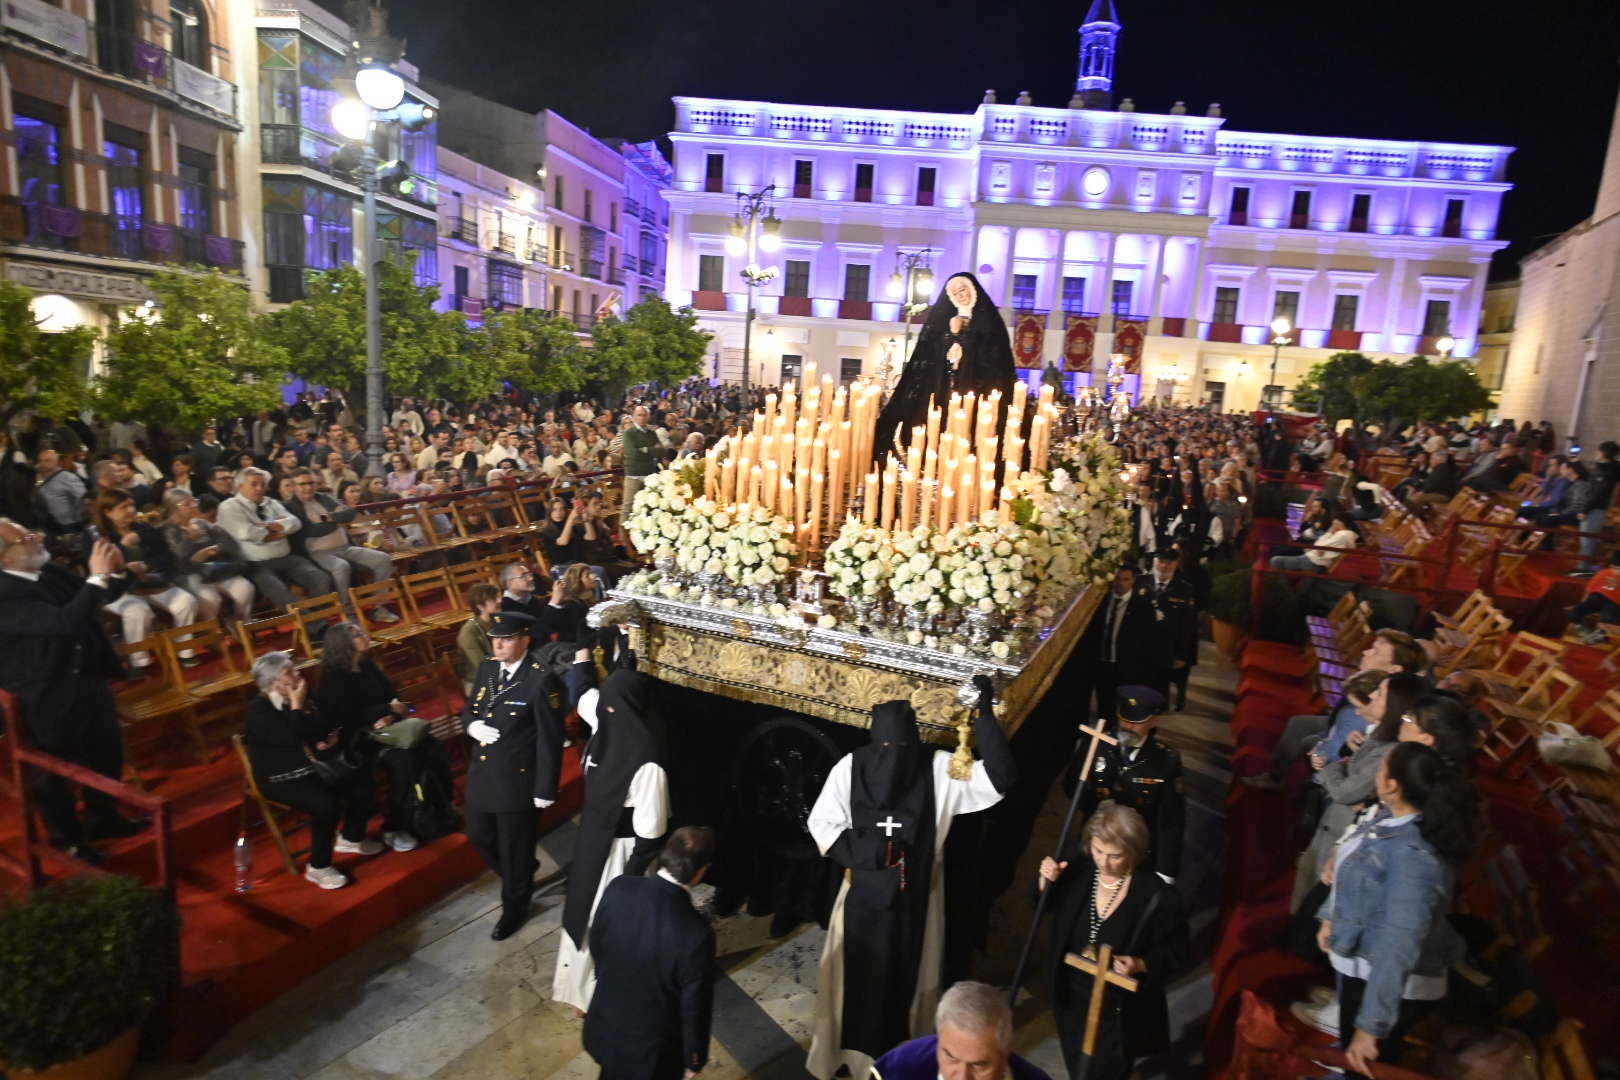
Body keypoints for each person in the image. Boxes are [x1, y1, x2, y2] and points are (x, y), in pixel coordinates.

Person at [806, 676, 1017, 1080]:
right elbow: (823, 825)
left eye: (899, 751)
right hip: (861, 898)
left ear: (914, 746)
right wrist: (873, 854)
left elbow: (1000, 778)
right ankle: (847, 1058)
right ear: (872, 744)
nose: (891, 762)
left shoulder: (939, 769)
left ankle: (906, 1061)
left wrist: (985, 715)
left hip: (920, 900)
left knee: (908, 983)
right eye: (884, 751)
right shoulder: (851, 768)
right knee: (855, 987)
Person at [1316, 742, 1476, 1079]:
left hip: (1386, 978)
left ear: (1391, 785)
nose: (1375, 772)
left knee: (1364, 1066)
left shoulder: (1414, 856)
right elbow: (1354, 866)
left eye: (1382, 767)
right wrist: (1331, 917)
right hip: (1360, 959)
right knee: (1349, 1043)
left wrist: (1371, 1027)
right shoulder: (1395, 817)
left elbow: (1399, 942)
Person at [0, 524, 145, 861]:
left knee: (106, 753)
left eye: (31, 531)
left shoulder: (47, 569)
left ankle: (103, 818)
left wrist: (117, 572)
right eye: (25, 538)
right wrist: (96, 578)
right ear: (5, 556)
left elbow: (94, 598)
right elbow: (63, 623)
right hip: (43, 692)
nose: (37, 537)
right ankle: (66, 839)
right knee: (54, 774)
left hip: (87, 679)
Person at [1036, 802, 1190, 1080]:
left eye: (1115, 856)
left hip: (1116, 1011)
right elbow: (1048, 905)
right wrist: (1046, 882)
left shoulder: (1156, 895)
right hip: (1070, 997)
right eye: (1097, 851)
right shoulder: (1079, 871)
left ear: (1134, 851)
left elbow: (1179, 950)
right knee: (1077, 1067)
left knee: (1105, 1073)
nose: (1103, 862)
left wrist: (1141, 964)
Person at [553, 669, 671, 1012]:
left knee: (608, 923)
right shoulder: (608, 719)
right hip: (593, 842)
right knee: (581, 910)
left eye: (613, 707)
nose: (607, 711)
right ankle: (577, 988)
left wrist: (629, 883)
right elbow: (586, 695)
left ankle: (598, 994)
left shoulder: (647, 761)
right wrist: (581, 661)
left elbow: (651, 831)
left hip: (621, 854)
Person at [582, 826, 717, 1079]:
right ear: (700, 872)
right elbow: (694, 1006)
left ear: (665, 855)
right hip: (652, 1052)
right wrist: (694, 1058)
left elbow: (598, 944)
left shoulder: (620, 887)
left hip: (604, 1025)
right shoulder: (696, 933)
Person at [461, 611, 565, 940]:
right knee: (479, 836)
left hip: (516, 779)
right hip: (484, 772)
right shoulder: (489, 668)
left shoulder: (541, 679)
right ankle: (519, 874)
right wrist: (471, 725)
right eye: (494, 639)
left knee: (514, 848)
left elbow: (550, 737)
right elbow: (472, 708)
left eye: (506, 639)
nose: (498, 645)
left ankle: (515, 906)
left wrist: (545, 786)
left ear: (524, 640)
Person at [242, 651, 381, 890]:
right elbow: (292, 737)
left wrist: (326, 735)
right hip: (282, 777)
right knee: (325, 803)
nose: (297, 674)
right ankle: (318, 866)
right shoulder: (259, 710)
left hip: (316, 765)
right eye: (290, 672)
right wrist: (297, 707)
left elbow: (324, 723)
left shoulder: (305, 696)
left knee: (362, 780)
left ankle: (351, 837)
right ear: (273, 682)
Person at [1293, 672, 1425, 911]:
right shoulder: (1377, 735)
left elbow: (1345, 792)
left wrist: (1333, 766)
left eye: (1381, 693)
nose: (1373, 695)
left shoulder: (1390, 751)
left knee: (1315, 890)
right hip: (1335, 821)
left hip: (1340, 828)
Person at [316, 622, 434, 854]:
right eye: (357, 635)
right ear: (343, 645)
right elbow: (344, 717)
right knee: (403, 761)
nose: (364, 636)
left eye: (361, 632)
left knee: (430, 746)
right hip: (358, 741)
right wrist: (385, 710)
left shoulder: (367, 665)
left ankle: (431, 811)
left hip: (385, 729)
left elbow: (394, 697)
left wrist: (389, 715)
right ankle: (395, 827)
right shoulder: (333, 677)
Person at [874, 272, 1017, 459]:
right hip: (944, 386)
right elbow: (931, 353)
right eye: (956, 292)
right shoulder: (943, 321)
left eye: (963, 290)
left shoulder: (989, 321)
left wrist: (964, 338)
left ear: (972, 291)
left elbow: (994, 357)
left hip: (976, 387)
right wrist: (951, 335)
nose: (961, 295)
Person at [85, 490, 202, 671]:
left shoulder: (145, 529)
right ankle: (139, 661)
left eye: (132, 505)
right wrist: (124, 547)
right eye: (124, 507)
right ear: (108, 512)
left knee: (186, 602)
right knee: (138, 611)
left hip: (149, 583)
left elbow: (166, 557)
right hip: (117, 590)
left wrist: (146, 567)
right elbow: (102, 568)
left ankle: (184, 651)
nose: (131, 510)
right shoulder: (96, 536)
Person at [1078, 687, 1185, 883]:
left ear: (1153, 721)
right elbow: (1072, 789)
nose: (1128, 726)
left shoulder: (1165, 760)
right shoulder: (1097, 744)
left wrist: (1165, 872)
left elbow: (1170, 820)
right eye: (1124, 719)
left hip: (1136, 852)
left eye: (1137, 722)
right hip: (1096, 845)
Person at [872, 980, 1053, 1080]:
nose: (962, 1078)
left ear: (1005, 1054)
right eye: (950, 1057)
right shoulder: (899, 1069)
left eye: (979, 1065)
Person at [284, 468, 397, 620]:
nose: (308, 487)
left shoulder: (323, 498)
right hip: (318, 553)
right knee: (341, 566)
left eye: (311, 483)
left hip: (345, 547)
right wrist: (335, 520)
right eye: (302, 484)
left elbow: (349, 514)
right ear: (293, 486)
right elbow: (310, 530)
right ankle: (348, 612)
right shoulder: (290, 506)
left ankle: (379, 607)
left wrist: (326, 518)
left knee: (382, 559)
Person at [216, 467, 334, 612]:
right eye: (254, 484)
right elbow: (247, 533)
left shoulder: (271, 502)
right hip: (256, 563)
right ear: (240, 486)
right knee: (281, 592)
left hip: (287, 557)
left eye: (263, 484)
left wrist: (267, 528)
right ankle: (317, 627)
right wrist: (279, 529)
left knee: (321, 578)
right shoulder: (229, 506)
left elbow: (296, 523)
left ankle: (318, 616)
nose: (260, 488)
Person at [158, 488, 255, 629]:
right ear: (175, 508)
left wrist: (212, 550)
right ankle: (211, 632)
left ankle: (239, 623)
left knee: (245, 588)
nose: (194, 505)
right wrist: (191, 541)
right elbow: (177, 559)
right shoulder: (166, 530)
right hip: (187, 574)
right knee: (211, 599)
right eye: (188, 503)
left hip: (214, 568)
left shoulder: (201, 523)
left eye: (194, 501)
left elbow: (229, 542)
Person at [1073, 564, 1153, 730]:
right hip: (1102, 664)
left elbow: (1146, 642)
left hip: (1125, 667)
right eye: (1118, 578)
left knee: (1125, 710)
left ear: (1133, 581)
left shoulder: (1142, 607)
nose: (1121, 583)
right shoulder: (1101, 602)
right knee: (1104, 707)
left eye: (1126, 579)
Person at [1141, 550, 1198, 707]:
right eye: (1161, 561)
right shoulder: (1140, 582)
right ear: (1154, 561)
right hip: (1139, 649)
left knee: (1157, 697)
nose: (1164, 566)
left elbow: (1187, 626)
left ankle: (1151, 727)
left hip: (1165, 651)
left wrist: (1181, 655)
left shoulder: (1185, 589)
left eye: (1170, 562)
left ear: (1176, 564)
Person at [455, 583, 501, 695]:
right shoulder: (469, 632)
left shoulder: (499, 621)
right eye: (494, 599)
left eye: (499, 597)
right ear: (480, 606)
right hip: (479, 684)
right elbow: (482, 665)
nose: (499, 601)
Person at [621, 406, 661, 510]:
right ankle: (622, 526)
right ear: (634, 417)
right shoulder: (629, 433)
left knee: (651, 505)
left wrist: (644, 449)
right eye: (639, 415)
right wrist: (651, 450)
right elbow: (632, 454)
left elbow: (660, 451)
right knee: (628, 506)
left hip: (649, 474)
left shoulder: (652, 433)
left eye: (645, 415)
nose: (642, 418)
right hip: (634, 474)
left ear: (648, 417)